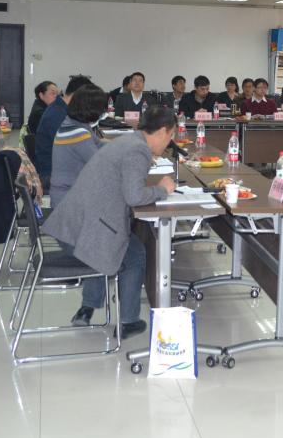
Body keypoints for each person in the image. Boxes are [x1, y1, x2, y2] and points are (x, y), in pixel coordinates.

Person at [43, 106, 177, 334]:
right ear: (164, 130)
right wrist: (162, 190)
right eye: (171, 135)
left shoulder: (129, 141)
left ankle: (87, 308)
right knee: (134, 253)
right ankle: (128, 321)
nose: (169, 142)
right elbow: (134, 197)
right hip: (85, 232)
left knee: (119, 242)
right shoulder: (139, 150)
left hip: (73, 224)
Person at [49, 85, 108, 210]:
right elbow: (100, 164)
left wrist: (123, 145)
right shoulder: (78, 133)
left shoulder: (73, 122)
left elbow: (98, 144)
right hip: (68, 202)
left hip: (71, 193)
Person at [36, 75, 93, 191]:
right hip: (51, 175)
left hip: (61, 167)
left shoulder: (64, 109)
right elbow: (74, 148)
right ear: (78, 95)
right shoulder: (57, 114)